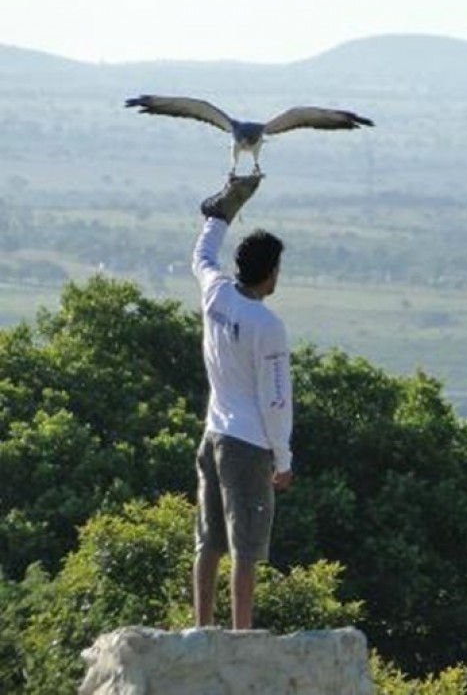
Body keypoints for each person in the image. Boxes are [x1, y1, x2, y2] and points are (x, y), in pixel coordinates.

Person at [190, 174, 294, 630]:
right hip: (249, 444)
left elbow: (201, 256)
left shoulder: (215, 292)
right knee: (245, 547)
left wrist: (221, 214)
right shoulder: (266, 325)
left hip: (213, 433)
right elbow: (276, 400)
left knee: (208, 539)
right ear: (271, 273)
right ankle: (241, 634)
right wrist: (283, 459)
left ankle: (202, 626)